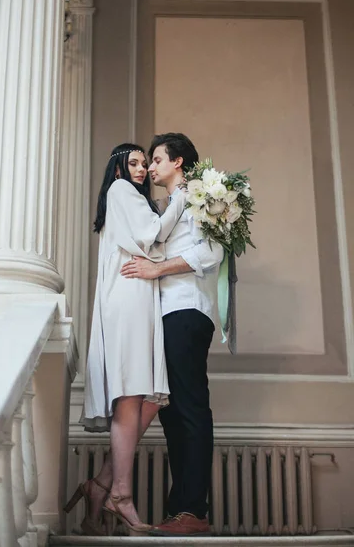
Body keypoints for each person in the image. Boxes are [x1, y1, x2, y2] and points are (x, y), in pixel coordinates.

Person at [64, 143, 186, 536]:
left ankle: (100, 486)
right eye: (132, 163)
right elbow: (153, 233)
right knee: (135, 393)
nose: (140, 169)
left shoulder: (130, 201)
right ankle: (120, 493)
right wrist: (181, 200)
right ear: (117, 169)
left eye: (143, 162)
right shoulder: (121, 192)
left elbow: (151, 240)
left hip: (137, 296)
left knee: (146, 394)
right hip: (130, 297)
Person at [121, 133, 224, 537]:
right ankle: (181, 508)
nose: (151, 166)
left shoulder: (204, 198)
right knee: (172, 414)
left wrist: (155, 270)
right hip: (164, 315)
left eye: (159, 158)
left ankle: (192, 509)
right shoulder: (165, 206)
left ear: (178, 162)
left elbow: (209, 253)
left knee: (191, 409)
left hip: (187, 311)